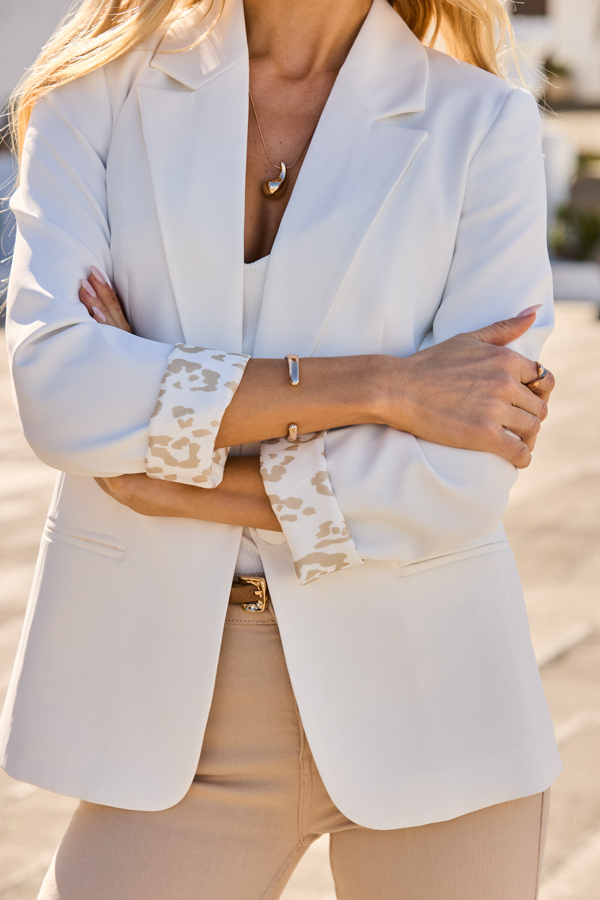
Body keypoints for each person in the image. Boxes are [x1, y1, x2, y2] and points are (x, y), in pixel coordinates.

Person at [1, 0, 562, 896]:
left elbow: (458, 479)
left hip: (436, 699)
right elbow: (65, 394)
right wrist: (385, 386)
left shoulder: (482, 123)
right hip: (169, 709)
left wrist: (179, 480)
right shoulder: (93, 96)